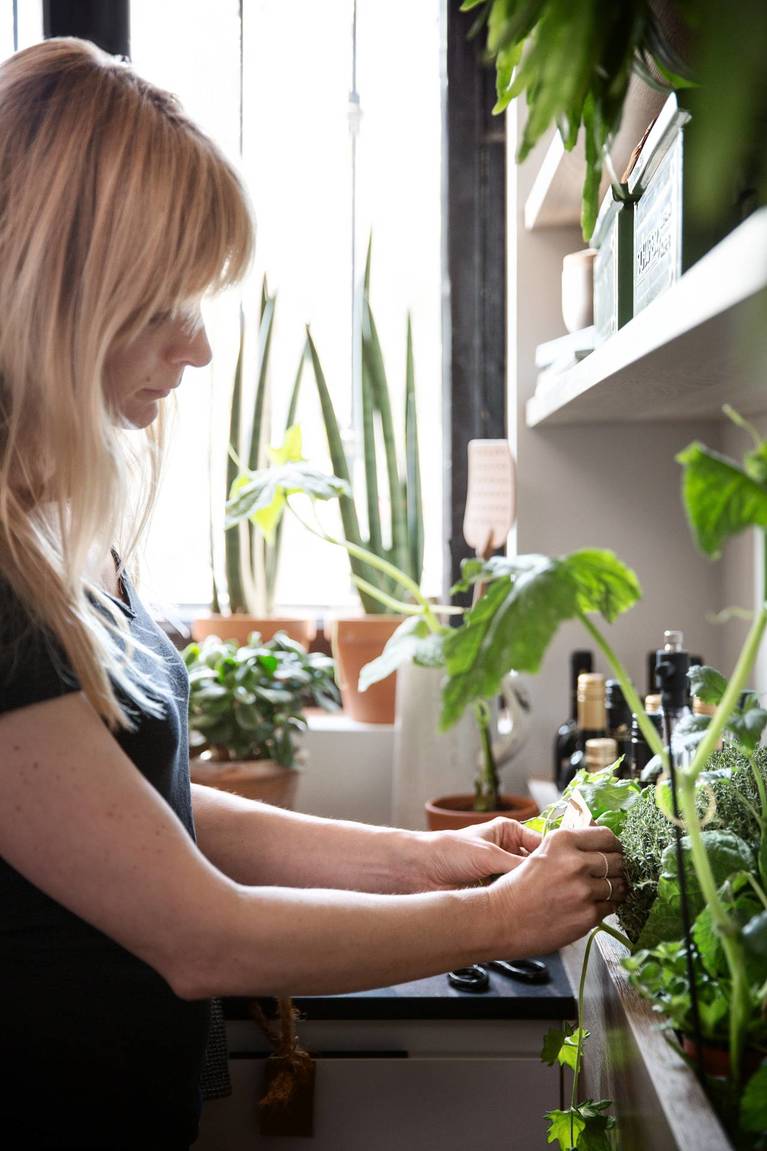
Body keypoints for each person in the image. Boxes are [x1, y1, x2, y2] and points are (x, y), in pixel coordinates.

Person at [0, 37, 625, 1150]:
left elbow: (163, 812)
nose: (195, 346)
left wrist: (424, 858)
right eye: (162, 305)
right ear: (54, 299)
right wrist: (490, 915)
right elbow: (203, 934)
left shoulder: (59, 531)